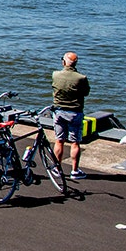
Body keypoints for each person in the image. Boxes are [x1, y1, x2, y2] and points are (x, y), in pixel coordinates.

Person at [51, 51, 91, 180]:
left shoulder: (56, 75)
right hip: (75, 112)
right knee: (75, 142)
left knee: (59, 140)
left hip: (59, 111)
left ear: (63, 62)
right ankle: (75, 170)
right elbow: (86, 92)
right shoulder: (81, 78)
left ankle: (57, 168)